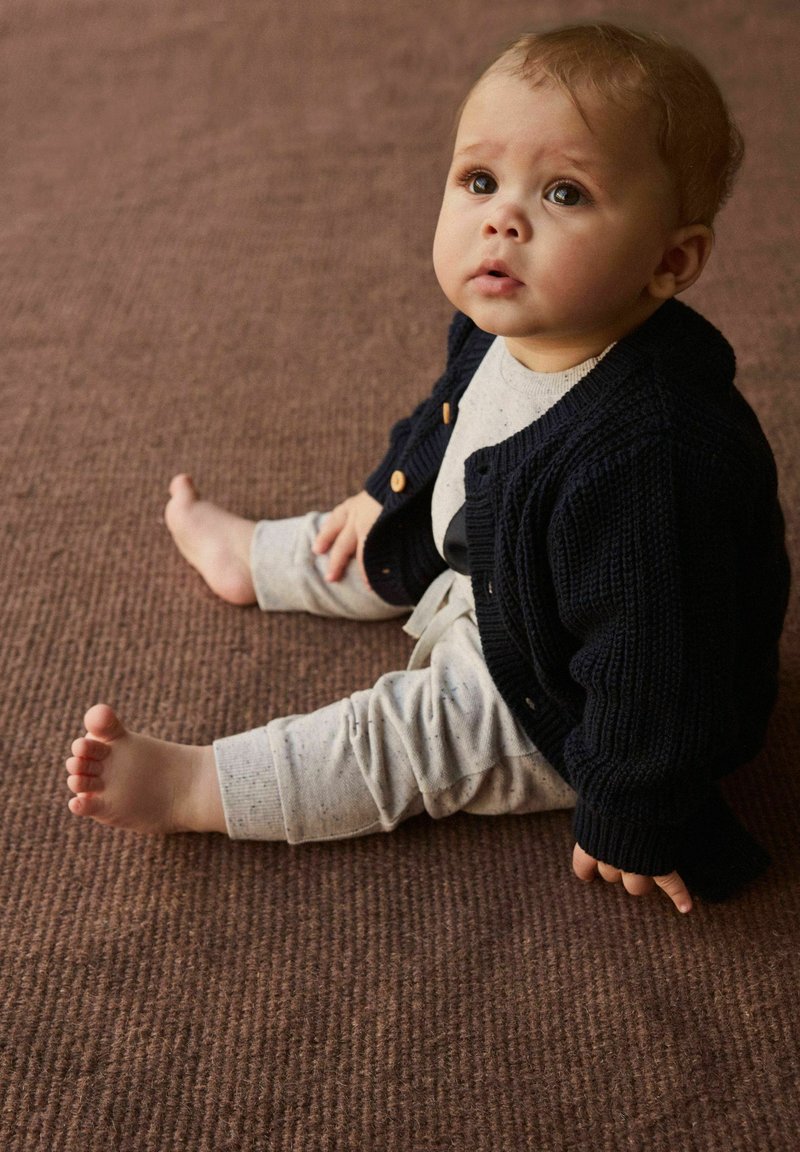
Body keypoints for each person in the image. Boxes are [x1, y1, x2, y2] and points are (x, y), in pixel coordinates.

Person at [64, 23, 790, 911]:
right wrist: (380, 497)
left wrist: (633, 810)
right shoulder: (505, 323)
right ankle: (258, 559)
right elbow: (442, 426)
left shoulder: (653, 466)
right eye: (480, 180)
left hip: (568, 689)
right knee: (369, 541)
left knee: (406, 735)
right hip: (491, 562)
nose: (503, 216)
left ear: (670, 262)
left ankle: (198, 787)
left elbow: (658, 669)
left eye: (564, 192)